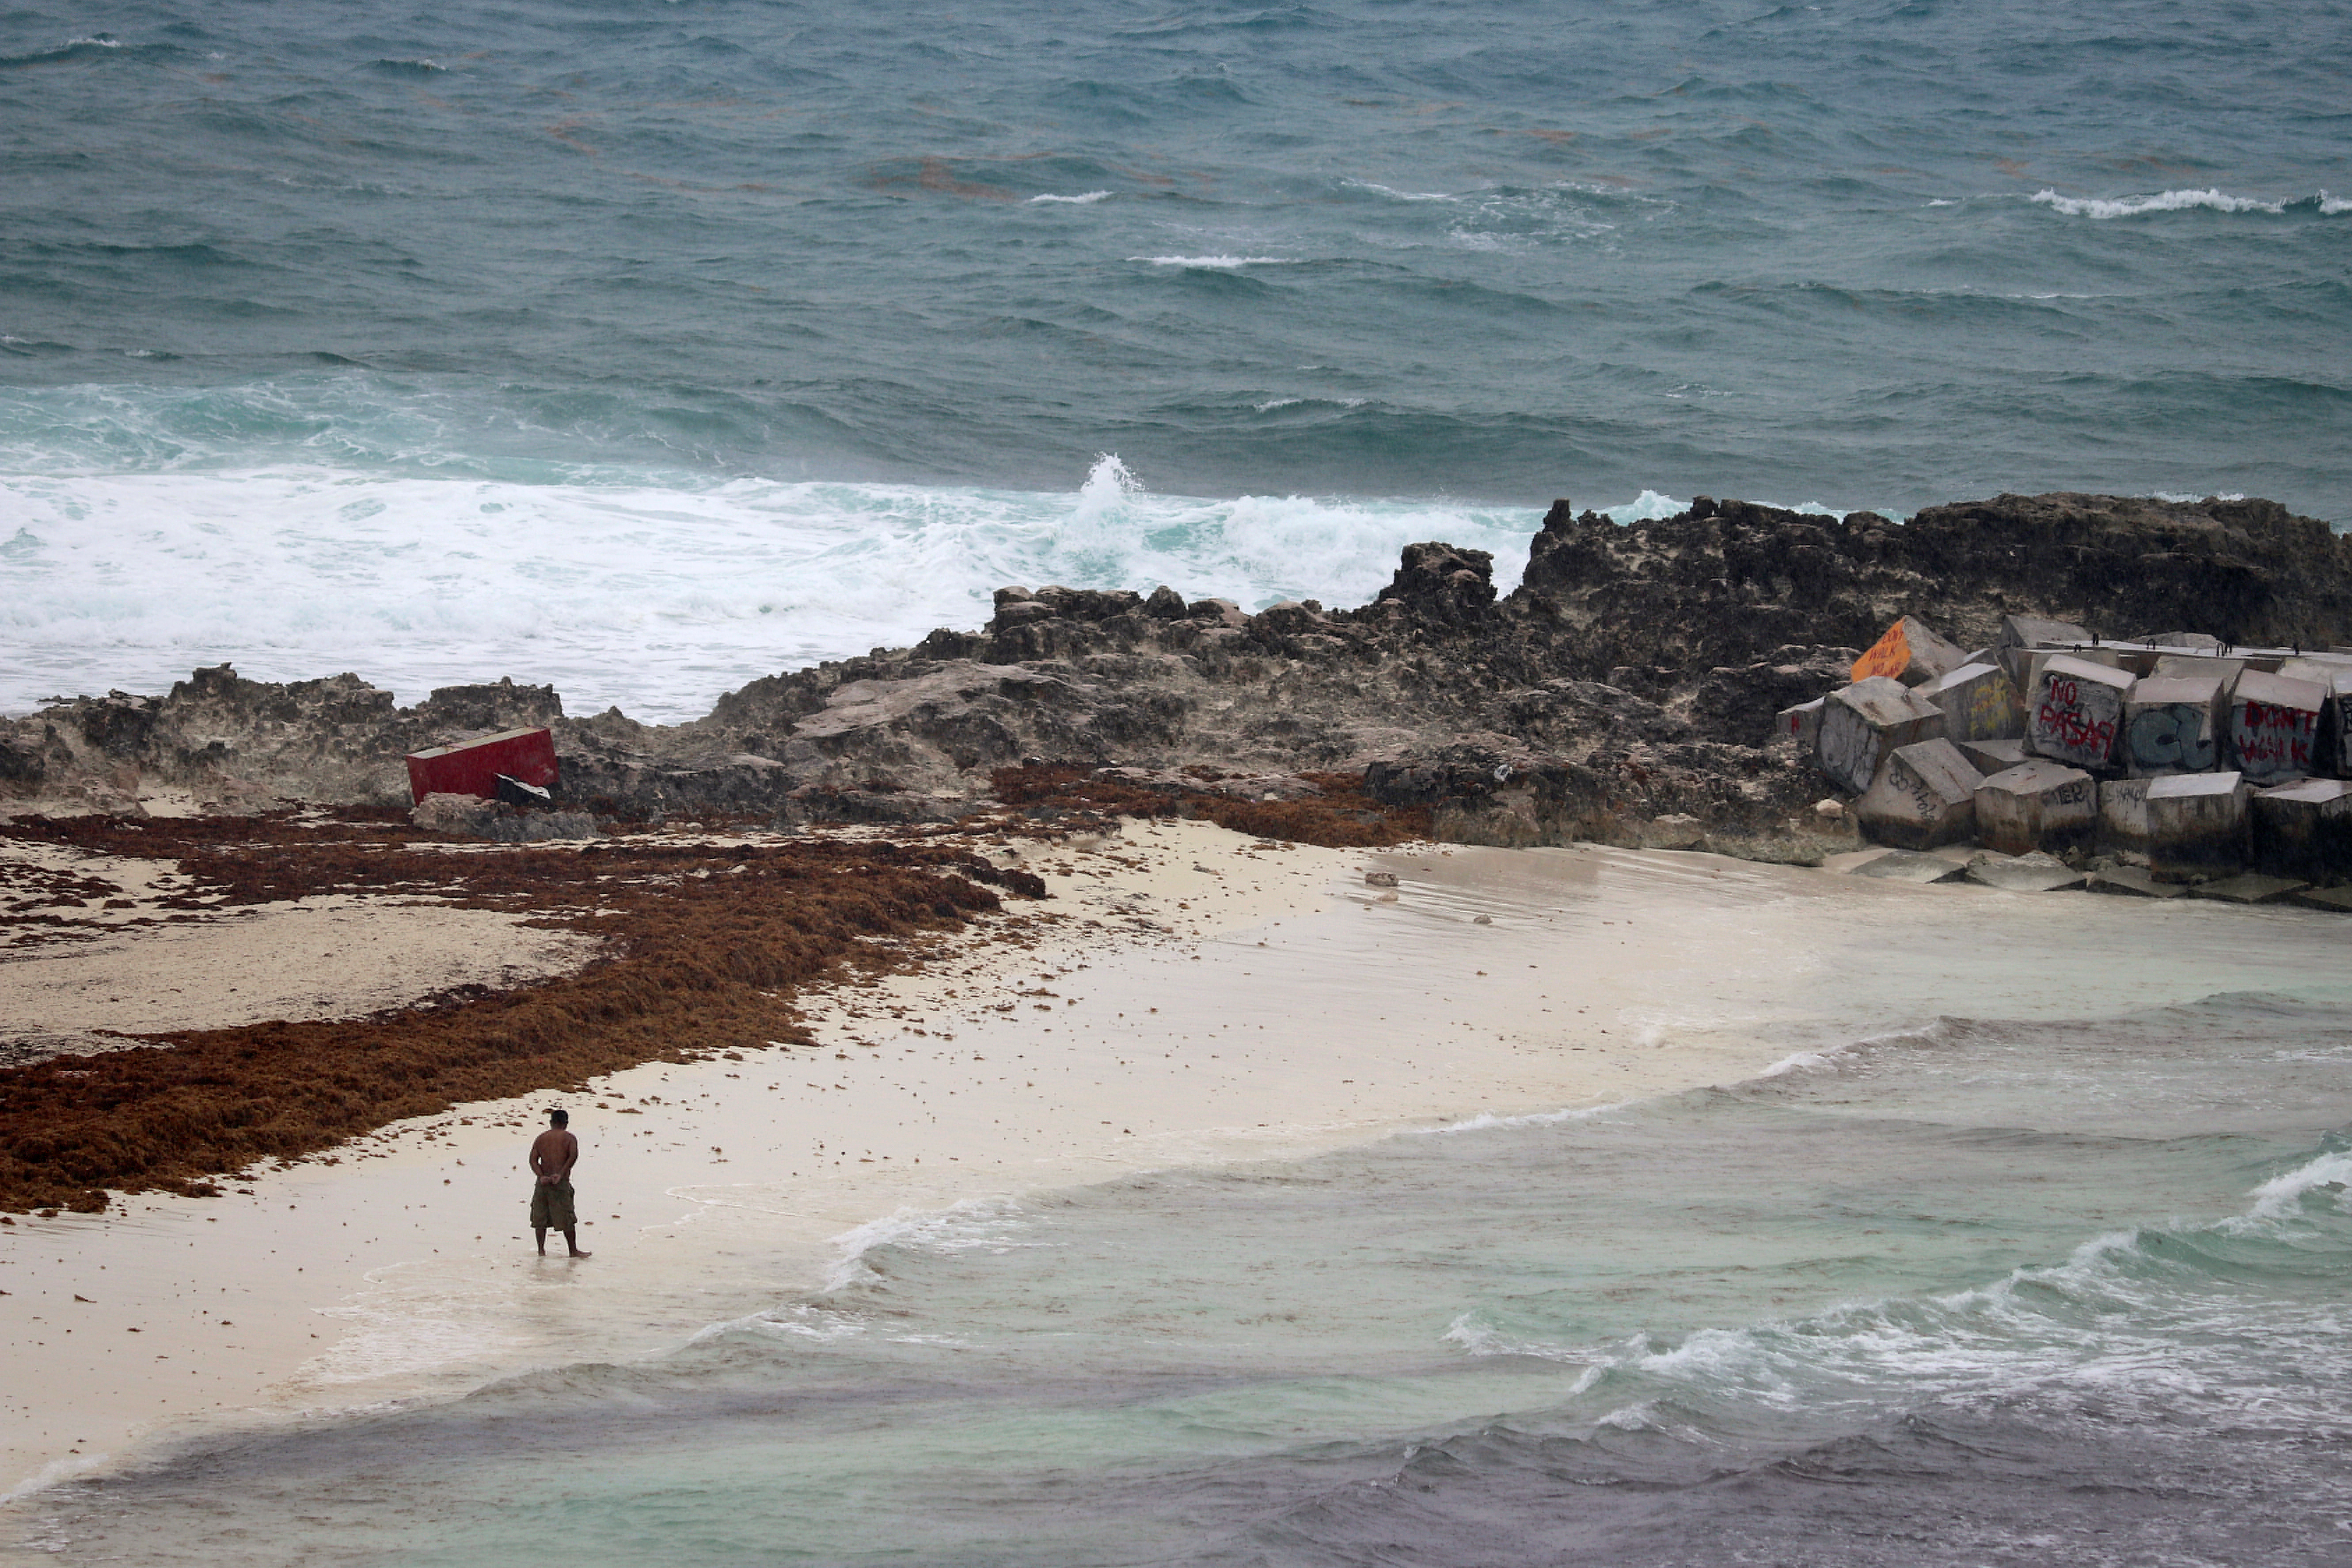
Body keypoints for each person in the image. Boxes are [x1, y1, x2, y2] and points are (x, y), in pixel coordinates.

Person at [528, 1107, 590, 1257]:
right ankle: (573, 1251)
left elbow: (533, 1160)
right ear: (566, 1123)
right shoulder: (569, 1138)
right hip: (560, 1183)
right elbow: (573, 1156)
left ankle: (541, 1251)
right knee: (567, 1218)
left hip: (542, 1183)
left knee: (540, 1218)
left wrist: (541, 1176)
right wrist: (561, 1175)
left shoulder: (541, 1138)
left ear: (551, 1123)